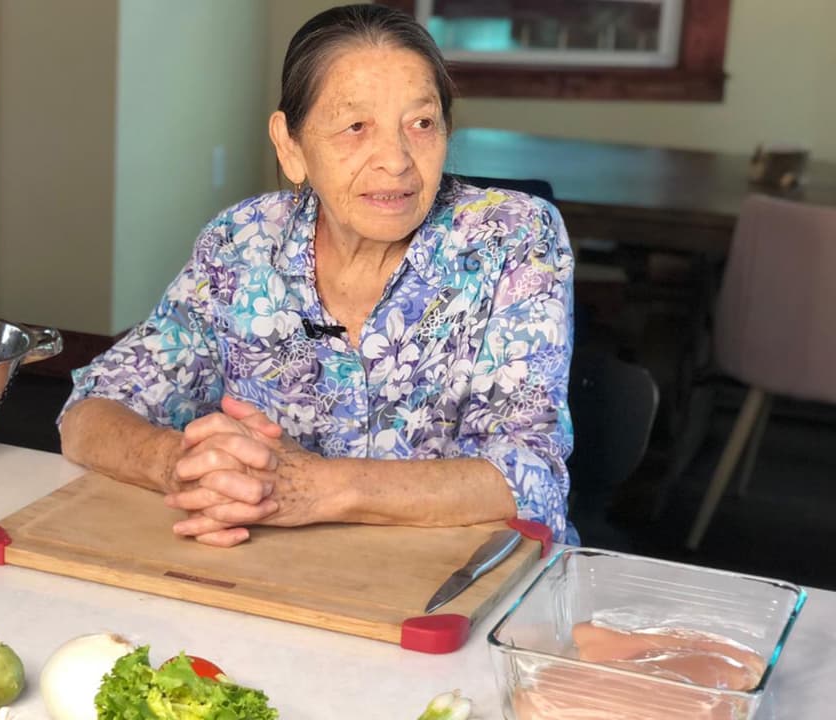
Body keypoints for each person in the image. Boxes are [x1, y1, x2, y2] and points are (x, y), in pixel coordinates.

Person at [59, 4, 575, 548]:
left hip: (462, 586)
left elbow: (529, 474)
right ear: (290, 146)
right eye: (356, 127)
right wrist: (185, 465)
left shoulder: (512, 237)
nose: (396, 160)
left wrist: (316, 488)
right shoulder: (244, 243)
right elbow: (90, 413)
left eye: (421, 123)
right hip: (282, 578)